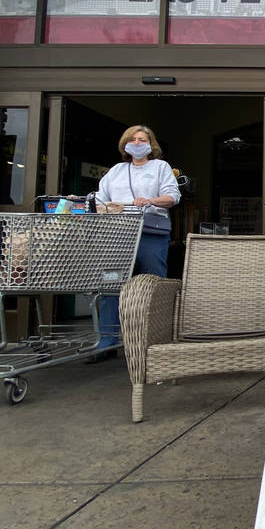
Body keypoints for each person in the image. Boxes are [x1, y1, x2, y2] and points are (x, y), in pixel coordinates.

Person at [88, 125, 181, 362]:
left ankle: (157, 340)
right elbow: (100, 198)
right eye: (133, 139)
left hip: (151, 231)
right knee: (111, 285)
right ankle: (107, 342)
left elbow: (173, 196)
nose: (137, 143)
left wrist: (150, 200)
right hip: (118, 234)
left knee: (152, 285)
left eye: (142, 140)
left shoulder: (160, 167)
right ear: (125, 144)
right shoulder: (116, 171)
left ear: (151, 144)